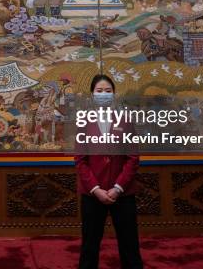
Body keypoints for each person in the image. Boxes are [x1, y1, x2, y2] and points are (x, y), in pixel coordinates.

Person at [75, 74, 143, 269]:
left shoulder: (125, 120)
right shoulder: (83, 121)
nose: (104, 94)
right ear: (92, 95)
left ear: (114, 94)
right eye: (99, 91)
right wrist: (96, 189)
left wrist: (118, 187)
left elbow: (132, 158)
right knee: (89, 246)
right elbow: (80, 160)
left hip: (123, 193)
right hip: (92, 194)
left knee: (130, 245)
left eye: (108, 91)